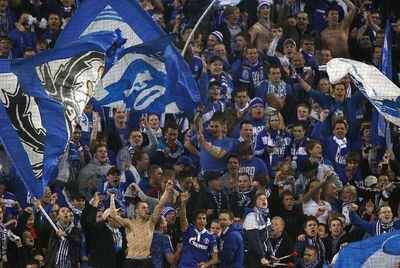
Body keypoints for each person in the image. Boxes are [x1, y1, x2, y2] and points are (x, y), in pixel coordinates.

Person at [108, 180, 174, 267]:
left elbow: (160, 205)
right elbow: (113, 215)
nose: (146, 209)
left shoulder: (151, 222)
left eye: (147, 208)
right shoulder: (129, 223)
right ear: (136, 211)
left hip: (147, 260)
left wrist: (167, 190)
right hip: (132, 261)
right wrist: (112, 197)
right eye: (143, 208)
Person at [179, 191, 219, 268]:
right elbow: (183, 219)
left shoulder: (211, 237)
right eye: (199, 218)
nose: (202, 221)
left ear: (207, 222)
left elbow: (215, 258)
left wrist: (206, 264)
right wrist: (183, 204)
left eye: (204, 219)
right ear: (194, 221)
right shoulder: (188, 229)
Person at [243, 193, 275, 267]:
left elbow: (267, 239)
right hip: (252, 254)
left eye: (265, 198)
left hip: (261, 254)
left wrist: (270, 254)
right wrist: (262, 257)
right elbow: (254, 240)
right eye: (260, 198)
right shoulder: (251, 217)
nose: (263, 199)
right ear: (255, 204)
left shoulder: (266, 218)